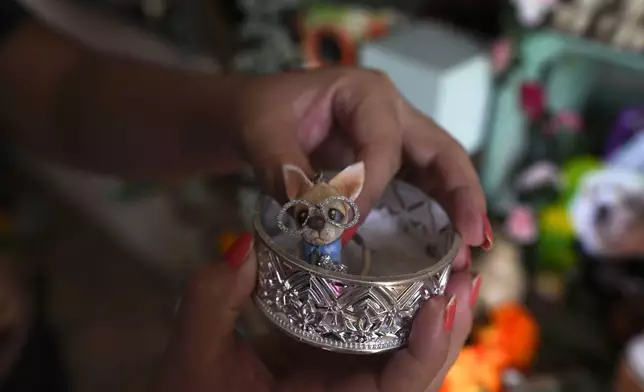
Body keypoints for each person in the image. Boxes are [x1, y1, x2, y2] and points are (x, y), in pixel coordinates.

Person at [0, 1, 493, 391]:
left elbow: (53, 93)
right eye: (316, 213)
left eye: (335, 214)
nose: (324, 223)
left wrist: (238, 113)